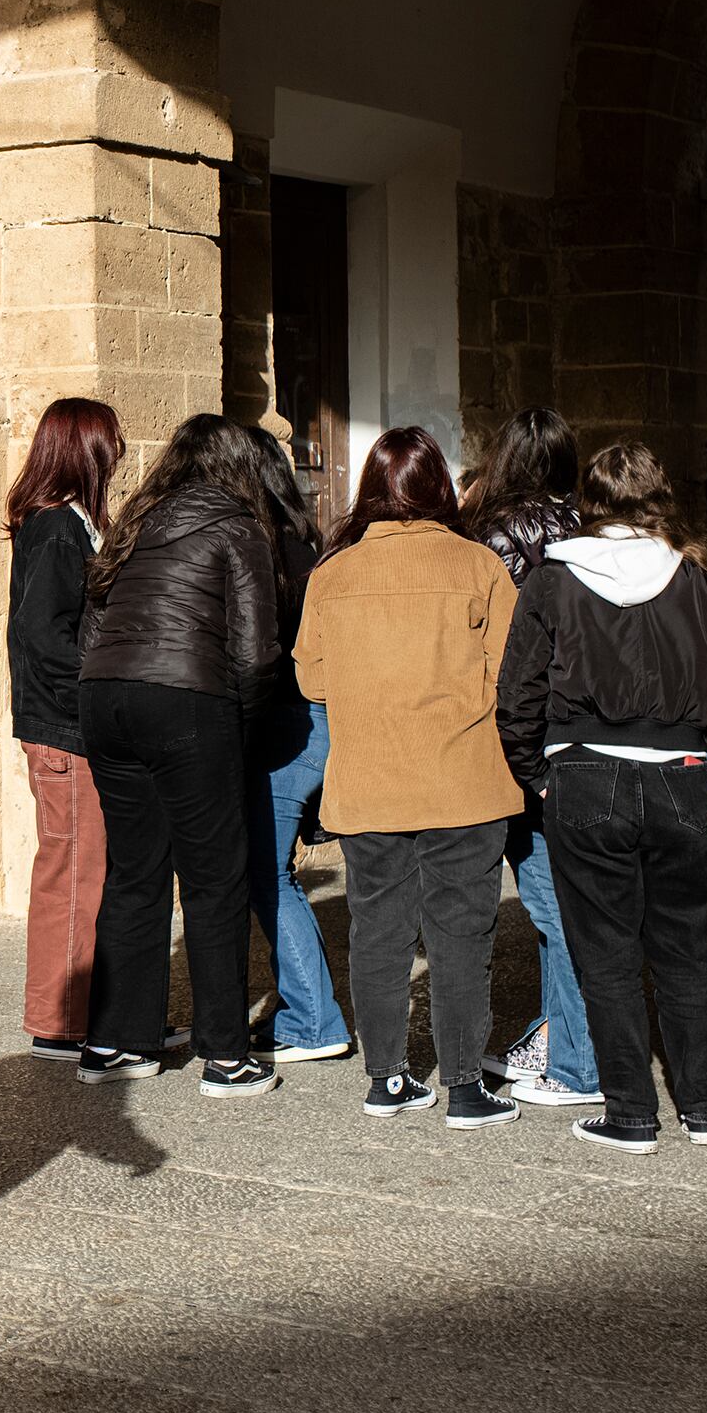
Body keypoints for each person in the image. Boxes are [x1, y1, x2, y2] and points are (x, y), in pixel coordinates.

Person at [497, 441, 707, 1155]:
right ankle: (705, 1111)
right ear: (658, 497)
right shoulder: (702, 586)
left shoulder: (554, 581)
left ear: (589, 500)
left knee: (605, 955)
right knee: (686, 953)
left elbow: (516, 695)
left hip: (585, 776)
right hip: (679, 776)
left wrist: (537, 773)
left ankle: (631, 1115)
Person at [294, 427, 526, 1130]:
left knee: (377, 931)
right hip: (464, 778)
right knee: (461, 934)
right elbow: (509, 674)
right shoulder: (480, 565)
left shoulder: (331, 574)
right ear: (439, 489)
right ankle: (463, 1088)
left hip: (369, 779)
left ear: (371, 488)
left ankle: (387, 1080)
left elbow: (311, 677)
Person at [73, 414, 283, 1097]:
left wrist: (110, 685)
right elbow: (255, 653)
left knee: (133, 871)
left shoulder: (138, 518)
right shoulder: (238, 524)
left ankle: (115, 1040)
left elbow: (93, 619)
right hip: (189, 698)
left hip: (106, 696)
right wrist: (240, 730)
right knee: (214, 878)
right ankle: (226, 1054)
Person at [458, 407, 603, 1110]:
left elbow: (491, 648)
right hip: (581, 732)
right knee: (562, 898)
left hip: (518, 736)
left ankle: (580, 1062)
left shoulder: (491, 534)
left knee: (553, 905)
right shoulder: (589, 529)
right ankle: (555, 1037)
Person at [3, 398, 124, 1060]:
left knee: (82, 871)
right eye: (110, 442)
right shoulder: (56, 526)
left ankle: (85, 1013)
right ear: (85, 450)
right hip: (65, 728)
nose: (120, 452)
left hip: (65, 724)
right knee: (74, 874)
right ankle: (61, 1022)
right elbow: (43, 634)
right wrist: (96, 687)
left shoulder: (63, 521)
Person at [240, 423, 354, 1067]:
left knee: (268, 871)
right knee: (274, 869)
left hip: (290, 721)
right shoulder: (309, 542)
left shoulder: (265, 546)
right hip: (320, 715)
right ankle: (308, 1011)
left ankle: (312, 1018)